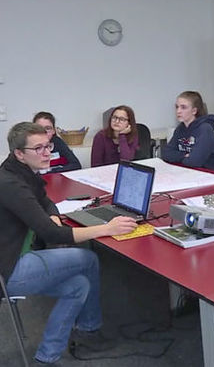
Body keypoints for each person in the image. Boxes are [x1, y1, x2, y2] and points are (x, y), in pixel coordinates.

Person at [0, 122, 137, 365]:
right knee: (88, 259)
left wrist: (52, 215)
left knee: (78, 286)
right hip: (9, 270)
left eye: (48, 146)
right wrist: (107, 228)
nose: (47, 153)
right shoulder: (11, 184)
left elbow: (45, 200)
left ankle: (48, 356)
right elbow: (54, 235)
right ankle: (90, 329)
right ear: (19, 153)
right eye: (39, 148)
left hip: (12, 259)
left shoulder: (18, 171)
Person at [161, 91, 214, 171]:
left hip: (209, 174)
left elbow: (194, 162)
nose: (178, 111)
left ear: (194, 111)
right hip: (188, 171)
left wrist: (179, 156)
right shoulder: (180, 128)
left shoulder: (205, 129)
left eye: (183, 107)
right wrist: (185, 156)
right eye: (177, 107)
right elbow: (166, 154)